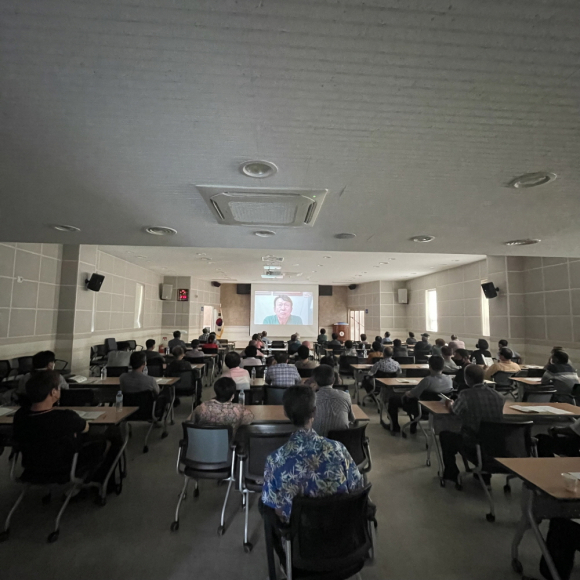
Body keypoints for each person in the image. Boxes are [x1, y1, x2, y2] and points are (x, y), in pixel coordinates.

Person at [262, 386, 363, 523]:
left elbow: (275, 506)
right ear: (314, 412)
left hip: (299, 531)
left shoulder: (274, 460)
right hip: (339, 526)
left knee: (264, 507)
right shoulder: (338, 449)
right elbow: (356, 487)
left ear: (285, 413)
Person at [14, 371, 123, 488]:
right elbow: (86, 428)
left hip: (31, 468)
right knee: (113, 436)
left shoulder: (20, 415)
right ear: (53, 392)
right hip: (64, 468)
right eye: (59, 388)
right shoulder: (66, 417)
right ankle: (103, 481)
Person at [439, 364, 504, 484]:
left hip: (473, 443)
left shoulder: (466, 394)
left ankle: (451, 472)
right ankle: (484, 475)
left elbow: (455, 412)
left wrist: (450, 404)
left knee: (445, 436)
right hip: (495, 443)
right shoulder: (498, 396)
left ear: (467, 379)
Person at [387, 355, 453, 434]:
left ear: (430, 367)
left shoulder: (427, 380)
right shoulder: (449, 379)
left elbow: (412, 394)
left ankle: (394, 426)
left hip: (422, 408)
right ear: (443, 367)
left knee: (393, 400)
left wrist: (407, 392)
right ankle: (412, 424)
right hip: (441, 407)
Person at [312, 365, 354, 436]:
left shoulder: (311, 399)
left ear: (315, 381)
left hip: (319, 440)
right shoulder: (345, 395)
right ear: (334, 380)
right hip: (342, 440)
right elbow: (352, 419)